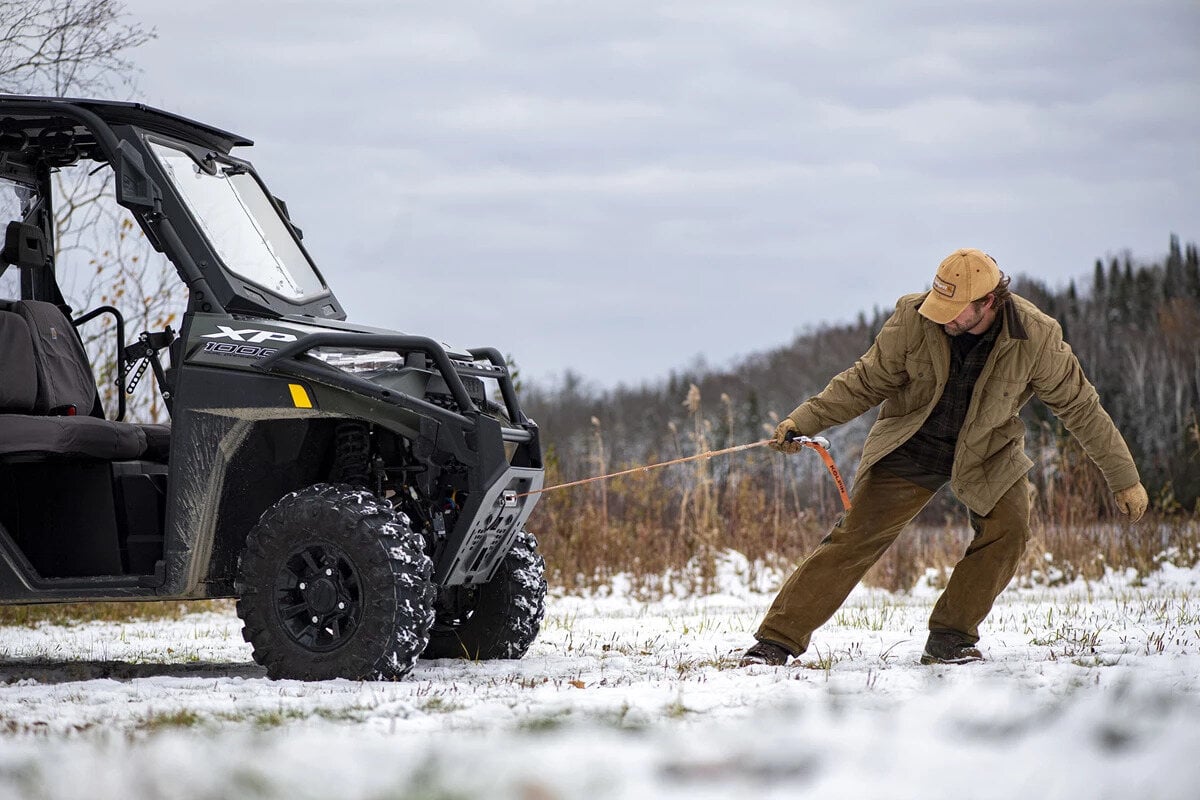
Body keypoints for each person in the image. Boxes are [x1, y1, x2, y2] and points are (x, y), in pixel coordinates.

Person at [740, 248, 1148, 667]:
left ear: (988, 301)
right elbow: (864, 381)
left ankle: (951, 637)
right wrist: (803, 420)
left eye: (954, 310)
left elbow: (1081, 408)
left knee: (1010, 530)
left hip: (988, 452)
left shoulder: (1037, 336)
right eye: (939, 304)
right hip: (913, 443)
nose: (942, 317)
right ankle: (776, 641)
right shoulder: (913, 318)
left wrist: (1124, 479)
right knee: (855, 536)